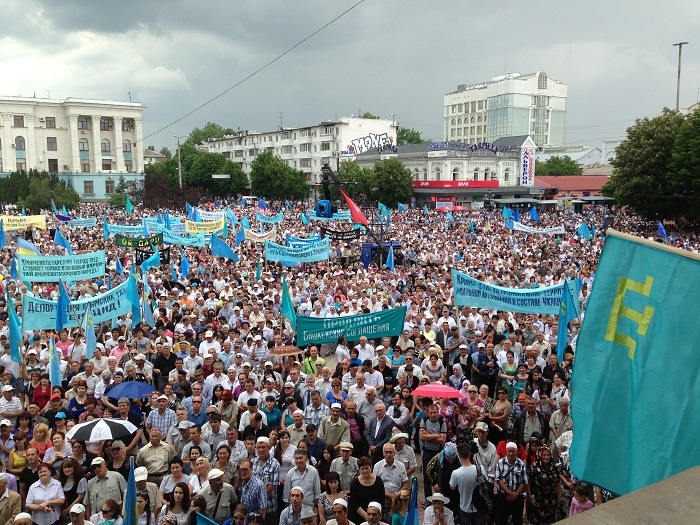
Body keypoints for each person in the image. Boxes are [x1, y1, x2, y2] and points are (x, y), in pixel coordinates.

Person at [448, 441, 485, 525]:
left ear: (459, 455)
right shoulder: (480, 469)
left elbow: (452, 487)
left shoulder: (456, 473)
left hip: (464, 507)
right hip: (479, 506)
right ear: (470, 453)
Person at [494, 442, 529, 525]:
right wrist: (509, 493)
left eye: (513, 451)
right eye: (509, 451)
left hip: (517, 498)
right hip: (503, 497)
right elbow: (499, 480)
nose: (511, 454)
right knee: (501, 520)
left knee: (517, 521)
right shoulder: (500, 463)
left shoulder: (521, 464)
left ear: (516, 451)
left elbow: (524, 482)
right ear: (506, 451)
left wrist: (515, 494)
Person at [425, 442, 460, 519]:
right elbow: (428, 469)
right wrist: (434, 483)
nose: (451, 460)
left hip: (455, 487)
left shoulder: (458, 458)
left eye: (452, 458)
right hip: (443, 486)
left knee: (455, 504)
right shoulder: (438, 457)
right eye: (449, 458)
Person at [527, 445, 560, 525]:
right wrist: (530, 496)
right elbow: (528, 482)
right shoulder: (534, 467)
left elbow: (558, 483)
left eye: (548, 455)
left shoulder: (554, 468)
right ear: (540, 455)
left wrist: (559, 496)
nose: (546, 457)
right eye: (544, 455)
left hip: (551, 499)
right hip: (538, 499)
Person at [419, 404, 446, 498]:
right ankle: (428, 499)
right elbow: (422, 436)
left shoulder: (442, 422)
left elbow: (443, 440)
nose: (433, 415)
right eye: (431, 413)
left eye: (435, 412)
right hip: (427, 451)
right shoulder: (424, 420)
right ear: (428, 413)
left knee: (438, 476)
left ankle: (439, 498)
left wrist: (428, 435)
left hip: (438, 452)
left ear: (438, 412)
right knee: (426, 476)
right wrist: (436, 435)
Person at [348, 456, 384, 525]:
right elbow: (354, 503)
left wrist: (374, 515)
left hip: (375, 515)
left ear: (371, 467)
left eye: (367, 468)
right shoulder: (355, 482)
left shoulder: (378, 481)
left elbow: (382, 499)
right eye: (362, 469)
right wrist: (366, 516)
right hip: (358, 517)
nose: (365, 471)